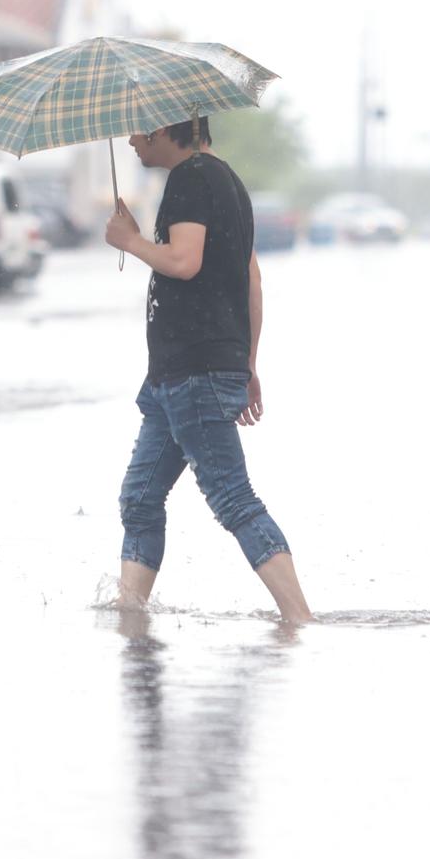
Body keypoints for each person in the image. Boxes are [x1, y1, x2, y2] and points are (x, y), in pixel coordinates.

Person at [103, 117, 313, 624]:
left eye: (137, 131)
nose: (131, 141)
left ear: (163, 130)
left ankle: (299, 618)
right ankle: (130, 616)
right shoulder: (225, 179)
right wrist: (247, 362)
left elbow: (184, 261)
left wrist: (129, 240)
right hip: (177, 373)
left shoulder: (192, 178)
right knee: (141, 496)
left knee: (232, 497)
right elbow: (250, 278)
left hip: (193, 372)